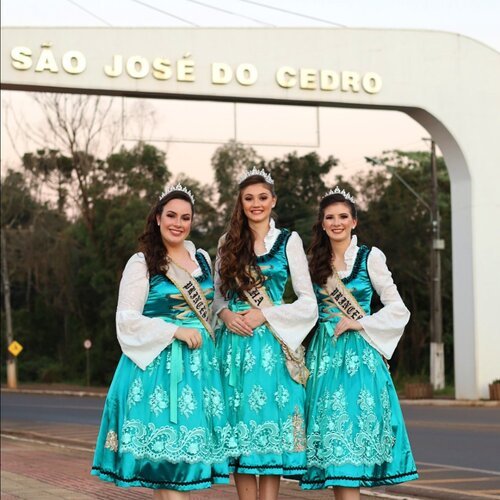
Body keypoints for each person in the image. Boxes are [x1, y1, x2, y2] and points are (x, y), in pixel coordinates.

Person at [92, 185, 232, 499]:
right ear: (158, 218)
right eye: (171, 215)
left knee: (182, 469)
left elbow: (209, 313)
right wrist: (174, 331)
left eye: (185, 217)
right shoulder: (142, 263)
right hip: (158, 370)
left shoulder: (202, 259)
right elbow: (126, 318)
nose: (177, 223)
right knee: (167, 468)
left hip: (198, 370)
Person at [301, 187, 419, 499]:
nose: (336, 222)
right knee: (335, 449)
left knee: (350, 446)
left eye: (343, 216)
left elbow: (397, 308)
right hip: (323, 360)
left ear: (354, 221)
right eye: (329, 217)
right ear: (322, 223)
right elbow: (305, 310)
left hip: (360, 360)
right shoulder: (313, 262)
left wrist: (360, 321)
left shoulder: (371, 257)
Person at [214, 167, 318, 500]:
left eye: (262, 197)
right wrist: (227, 314)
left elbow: (308, 304)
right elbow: (216, 295)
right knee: (241, 439)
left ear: (273, 201)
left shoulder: (289, 241)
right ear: (240, 203)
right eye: (248, 198)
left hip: (272, 349)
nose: (255, 204)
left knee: (269, 438)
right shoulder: (227, 243)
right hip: (234, 348)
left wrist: (265, 314)